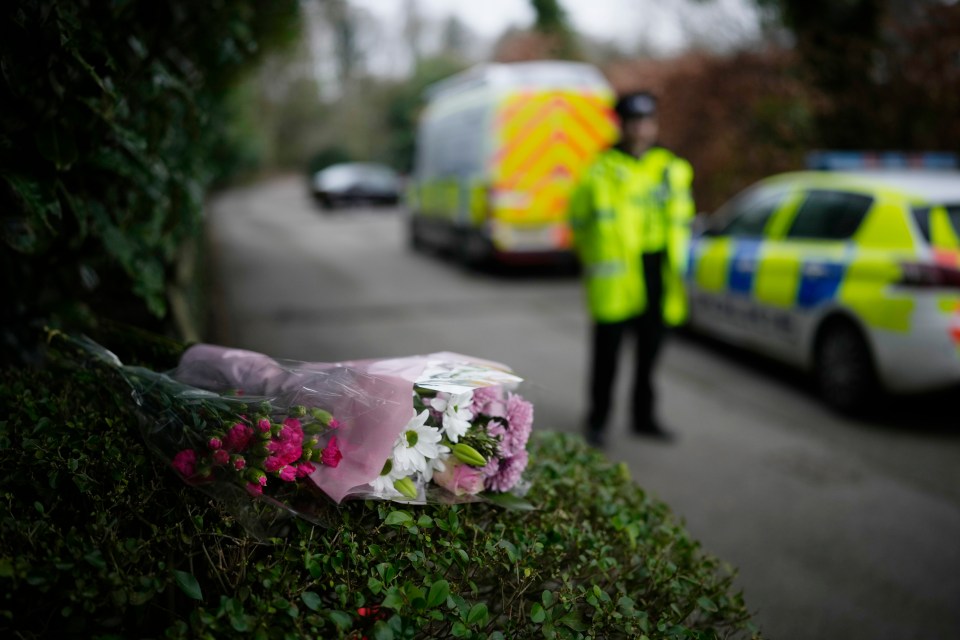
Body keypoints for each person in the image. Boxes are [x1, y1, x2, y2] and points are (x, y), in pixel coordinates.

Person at [568, 90, 695, 447]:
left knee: (649, 358)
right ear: (622, 126)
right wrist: (592, 260)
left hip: (659, 273)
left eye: (648, 122)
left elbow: (681, 220)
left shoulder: (672, 168)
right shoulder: (599, 170)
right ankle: (598, 420)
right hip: (616, 278)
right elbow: (578, 222)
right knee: (606, 358)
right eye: (635, 123)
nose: (642, 130)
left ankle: (644, 417)